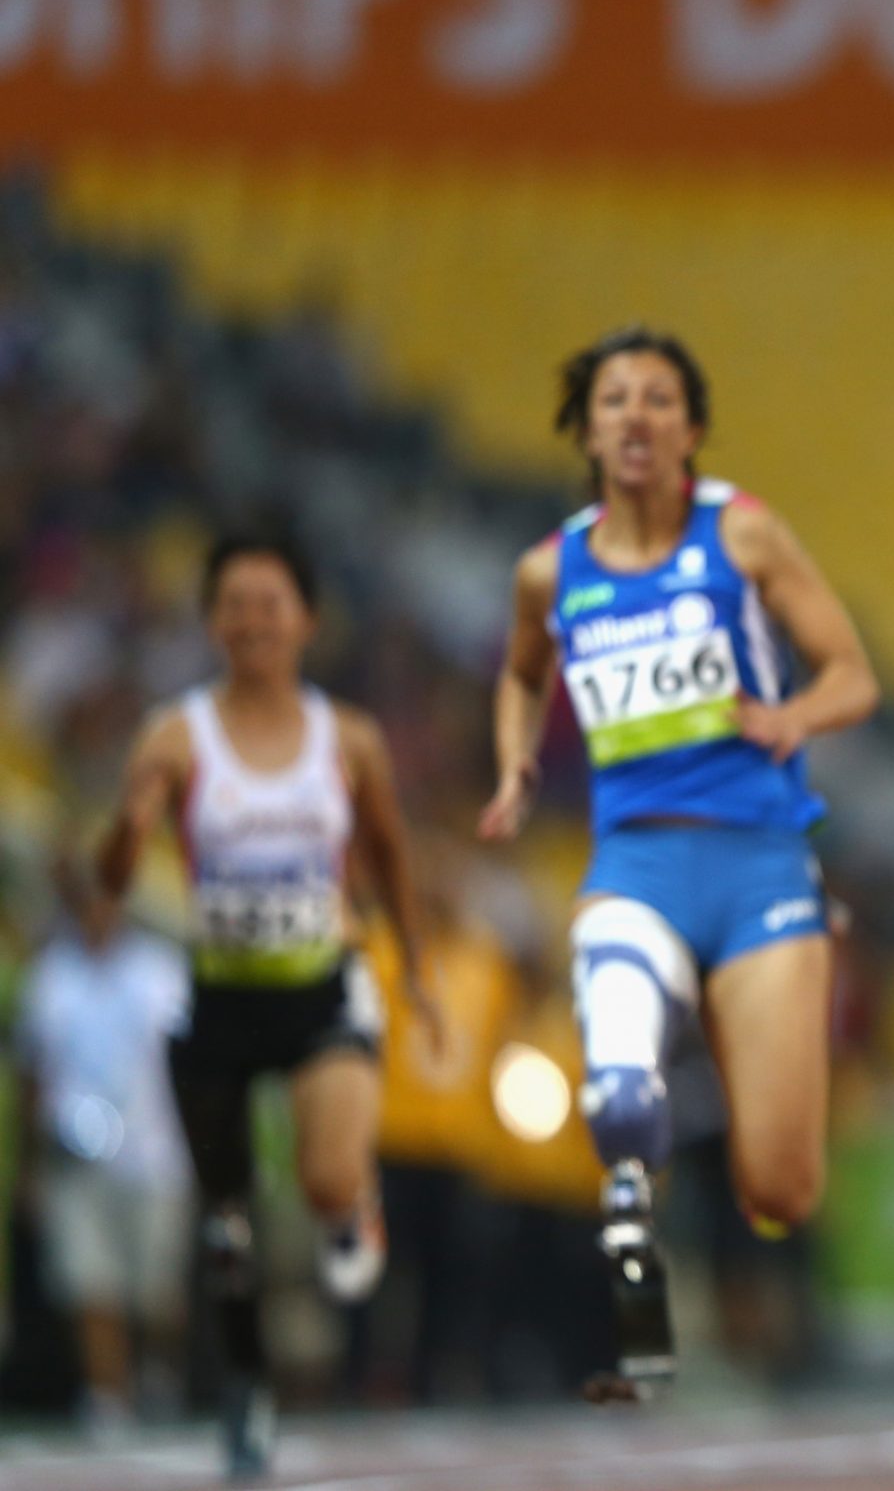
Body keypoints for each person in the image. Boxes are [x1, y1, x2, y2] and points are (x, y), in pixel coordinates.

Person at [479, 326, 879, 1394]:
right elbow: (521, 676)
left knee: (782, 1183)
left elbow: (852, 673)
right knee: (616, 1086)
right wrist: (516, 764)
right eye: (614, 399)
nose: (636, 417)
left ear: (691, 427)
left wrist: (790, 713)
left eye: (659, 398)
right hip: (637, 863)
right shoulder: (547, 570)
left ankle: (766, 1306)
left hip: (759, 869)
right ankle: (629, 1199)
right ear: (586, 427)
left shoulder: (742, 537)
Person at [98, 531, 439, 1478]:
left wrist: (417, 965)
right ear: (212, 621)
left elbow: (391, 856)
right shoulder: (175, 734)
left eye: (271, 601)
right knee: (229, 1222)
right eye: (235, 603)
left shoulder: (350, 739)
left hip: (321, 988)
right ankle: (248, 1391)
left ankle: (349, 1205)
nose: (253, 620)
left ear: (307, 620)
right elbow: (112, 873)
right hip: (221, 1000)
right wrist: (127, 834)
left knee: (327, 1175)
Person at [14, 847, 191, 1434]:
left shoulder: (159, 972)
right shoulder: (52, 974)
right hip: (76, 1158)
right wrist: (29, 1165)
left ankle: (161, 1372)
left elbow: (188, 1067)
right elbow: (32, 1075)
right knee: (92, 1282)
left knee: (156, 1291)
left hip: (154, 1157)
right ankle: (107, 1396)